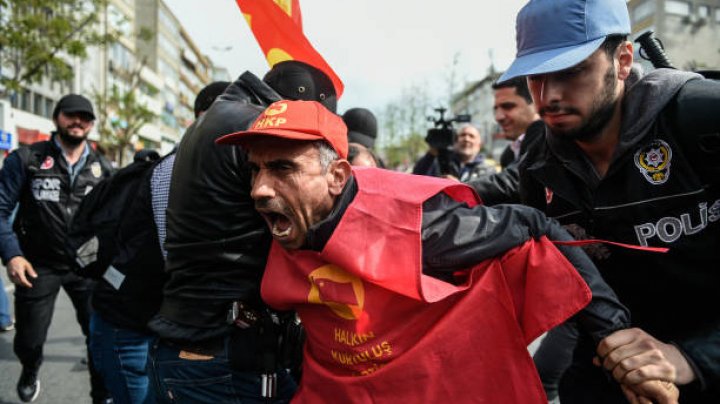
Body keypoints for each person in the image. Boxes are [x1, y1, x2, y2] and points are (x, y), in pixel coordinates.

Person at [216, 99, 679, 403]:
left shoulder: (421, 228)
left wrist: (612, 335)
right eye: (255, 171)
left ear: (337, 177)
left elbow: (534, 225)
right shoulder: (275, 221)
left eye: (282, 168)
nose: (259, 190)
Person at [499, 0, 720, 402]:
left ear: (622, 60)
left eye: (569, 71)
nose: (548, 96)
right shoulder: (538, 169)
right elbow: (572, 285)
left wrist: (694, 358)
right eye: (535, 78)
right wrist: (616, 353)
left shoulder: (702, 118)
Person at [146, 62, 336, 403]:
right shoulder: (256, 130)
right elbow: (319, 221)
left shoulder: (217, 118)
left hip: (195, 341)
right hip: (222, 351)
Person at [0, 94, 113, 403]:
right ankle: (30, 366)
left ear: (91, 124)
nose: (78, 121)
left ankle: (101, 394)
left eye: (85, 117)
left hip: (86, 266)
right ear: (56, 118)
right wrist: (13, 254)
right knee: (29, 339)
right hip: (37, 264)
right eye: (70, 114)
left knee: (99, 337)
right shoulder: (27, 159)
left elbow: (115, 222)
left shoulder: (104, 168)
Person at [413, 123, 497, 182]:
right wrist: (431, 154)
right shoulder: (439, 163)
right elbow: (416, 178)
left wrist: (459, 187)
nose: (466, 139)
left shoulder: (488, 170)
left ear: (480, 144)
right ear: (455, 141)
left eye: (471, 136)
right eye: (462, 135)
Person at [493, 76, 540, 168]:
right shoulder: (508, 156)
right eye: (496, 109)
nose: (498, 117)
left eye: (508, 106)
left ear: (535, 104)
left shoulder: (550, 139)